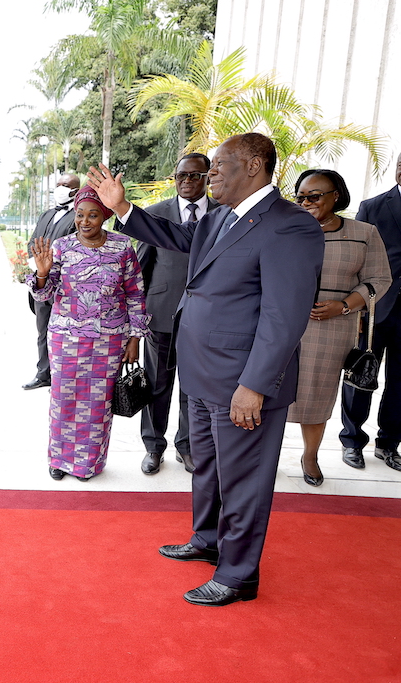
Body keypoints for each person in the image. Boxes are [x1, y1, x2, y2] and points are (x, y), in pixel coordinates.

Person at [87, 132, 324, 606]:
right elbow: (176, 237)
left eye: (218, 164)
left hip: (242, 381)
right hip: (200, 371)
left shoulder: (289, 225)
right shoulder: (220, 218)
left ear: (254, 165)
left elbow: (285, 315)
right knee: (209, 468)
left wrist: (255, 385)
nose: (208, 173)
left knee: (243, 478)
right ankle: (208, 539)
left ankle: (238, 575)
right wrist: (124, 210)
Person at [27, 186, 149, 481]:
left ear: (104, 216)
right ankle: (59, 459)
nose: (84, 221)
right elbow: (44, 294)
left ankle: (88, 464)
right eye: (80, 215)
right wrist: (42, 273)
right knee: (63, 398)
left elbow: (136, 294)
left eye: (92, 215)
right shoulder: (62, 247)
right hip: (65, 339)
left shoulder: (122, 247)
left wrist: (135, 339)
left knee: (97, 402)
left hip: (109, 341)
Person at [288, 170, 390, 486]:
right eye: (301, 197)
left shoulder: (364, 233)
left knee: (316, 396)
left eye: (314, 196)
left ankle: (310, 456)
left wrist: (344, 305)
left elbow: (379, 279)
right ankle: (263, 457)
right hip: (282, 325)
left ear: (336, 195)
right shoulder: (285, 229)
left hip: (331, 328)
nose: (307, 202)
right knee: (270, 391)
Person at [138, 154, 218, 475]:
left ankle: (187, 446)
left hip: (206, 321)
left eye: (194, 176)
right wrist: (137, 318)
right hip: (161, 316)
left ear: (208, 177)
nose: (186, 181)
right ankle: (153, 446)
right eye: (180, 176)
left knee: (193, 387)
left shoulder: (223, 216)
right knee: (157, 385)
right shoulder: (155, 215)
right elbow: (141, 269)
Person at [340, 151, 401, 473]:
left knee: (400, 384)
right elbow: (360, 262)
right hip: (376, 310)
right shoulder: (373, 207)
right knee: (361, 375)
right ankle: (352, 441)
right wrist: (358, 307)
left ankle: (388, 443)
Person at [23, 172, 82, 390]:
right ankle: (43, 374)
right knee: (42, 330)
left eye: (65, 185)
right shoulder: (47, 214)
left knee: (65, 334)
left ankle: (63, 376)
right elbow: (33, 242)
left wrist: (52, 268)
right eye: (58, 184)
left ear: (75, 190)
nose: (60, 188)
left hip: (64, 287)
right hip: (40, 283)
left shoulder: (79, 216)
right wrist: (36, 267)